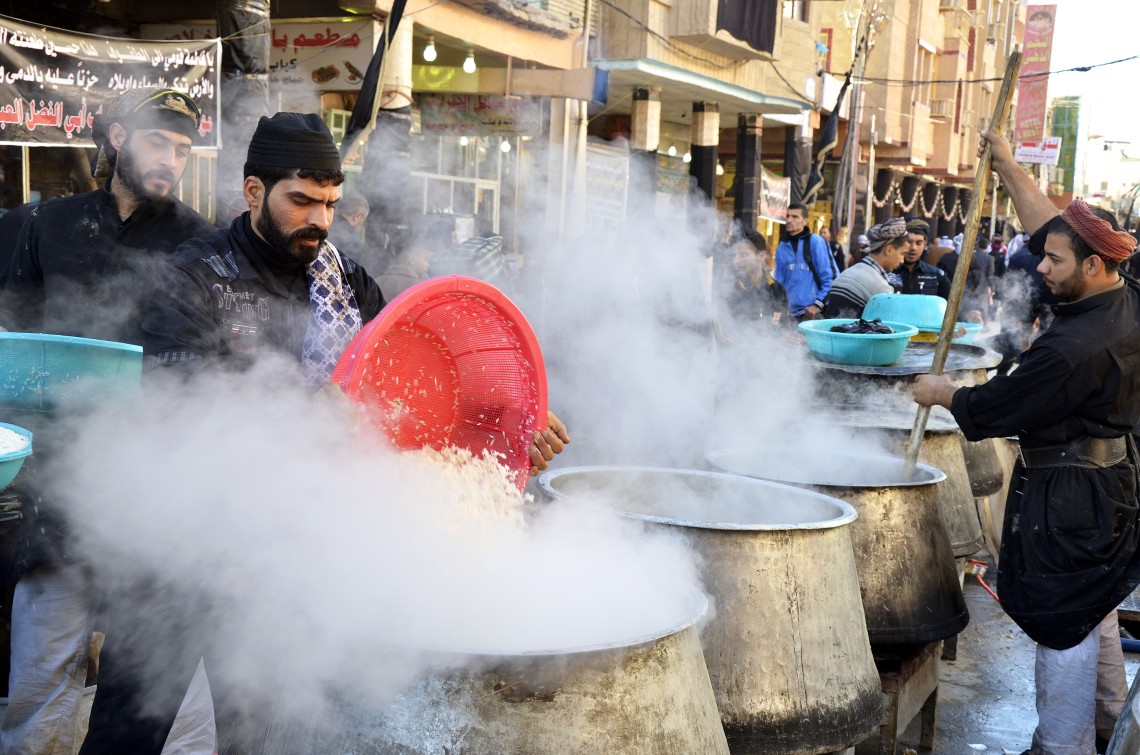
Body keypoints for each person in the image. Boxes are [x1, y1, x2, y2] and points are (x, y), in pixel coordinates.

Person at [90, 113, 569, 753]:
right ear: (254, 191)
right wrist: (299, 403)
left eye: (330, 204)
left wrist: (508, 431)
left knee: (261, 733)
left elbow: (406, 387)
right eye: (302, 201)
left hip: (285, 565)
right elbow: (175, 398)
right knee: (128, 734)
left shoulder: (341, 278)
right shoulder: (195, 275)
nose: (319, 219)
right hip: (182, 556)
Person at [0, 88, 213, 755]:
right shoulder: (48, 223)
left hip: (150, 484)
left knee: (149, 674)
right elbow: (12, 327)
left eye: (182, 150)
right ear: (119, 136)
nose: (171, 161)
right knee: (42, 661)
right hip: (56, 478)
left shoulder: (198, 241)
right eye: (158, 142)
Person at [914, 129, 1140, 755]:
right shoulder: (1127, 291)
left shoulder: (1071, 348)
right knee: (1092, 606)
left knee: (1061, 626)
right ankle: (1110, 723)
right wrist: (1010, 166)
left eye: (1054, 263)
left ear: (1093, 265)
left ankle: (1060, 746)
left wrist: (941, 391)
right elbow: (1052, 229)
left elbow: (991, 409)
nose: (1040, 267)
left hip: (1071, 499)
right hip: (1113, 483)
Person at [823, 216, 908, 318]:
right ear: (889, 250)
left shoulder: (845, 274)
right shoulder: (881, 288)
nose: (902, 260)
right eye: (902, 253)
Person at [774, 202, 835, 321]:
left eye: (795, 217)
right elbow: (778, 283)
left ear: (805, 221)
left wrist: (817, 305)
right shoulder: (782, 246)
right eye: (787, 216)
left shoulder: (816, 242)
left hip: (811, 314)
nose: (789, 220)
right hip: (788, 315)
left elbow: (830, 278)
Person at [720, 226, 786, 330]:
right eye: (733, 255)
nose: (736, 261)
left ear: (761, 256)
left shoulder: (777, 289)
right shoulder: (727, 290)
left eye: (743, 254)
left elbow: (784, 325)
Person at [894, 218, 951, 298]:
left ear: (925, 244)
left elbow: (949, 306)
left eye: (919, 243)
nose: (913, 248)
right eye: (909, 242)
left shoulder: (936, 275)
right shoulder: (888, 273)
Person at [326, 190, 369, 261]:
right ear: (357, 216)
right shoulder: (354, 244)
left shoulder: (325, 225)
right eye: (363, 221)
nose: (362, 226)